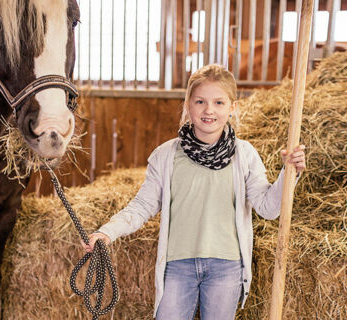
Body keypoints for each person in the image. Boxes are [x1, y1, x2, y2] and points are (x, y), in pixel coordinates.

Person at [81, 64, 306, 320]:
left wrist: (289, 173)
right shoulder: (166, 156)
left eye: (219, 102)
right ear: (188, 104)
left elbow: (268, 208)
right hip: (178, 265)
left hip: (226, 266)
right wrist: (107, 232)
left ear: (232, 107)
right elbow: (142, 206)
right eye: (200, 101)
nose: (209, 110)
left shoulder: (244, 155)